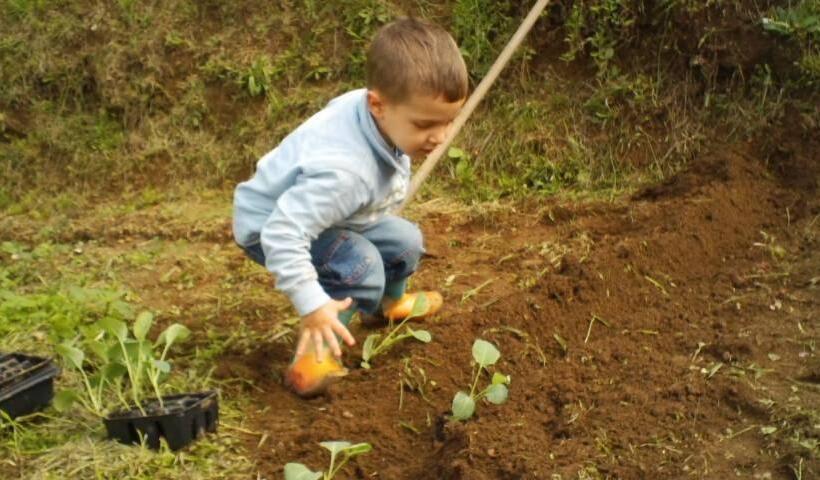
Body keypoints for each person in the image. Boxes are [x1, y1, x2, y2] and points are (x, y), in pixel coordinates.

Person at [232, 17, 468, 396]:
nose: (439, 138)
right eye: (425, 124)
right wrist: (311, 305)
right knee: (361, 268)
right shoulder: (345, 173)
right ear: (377, 104)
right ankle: (315, 352)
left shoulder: (379, 111)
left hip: (327, 212)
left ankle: (389, 306)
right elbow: (282, 232)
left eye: (448, 123)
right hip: (271, 226)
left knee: (406, 240)